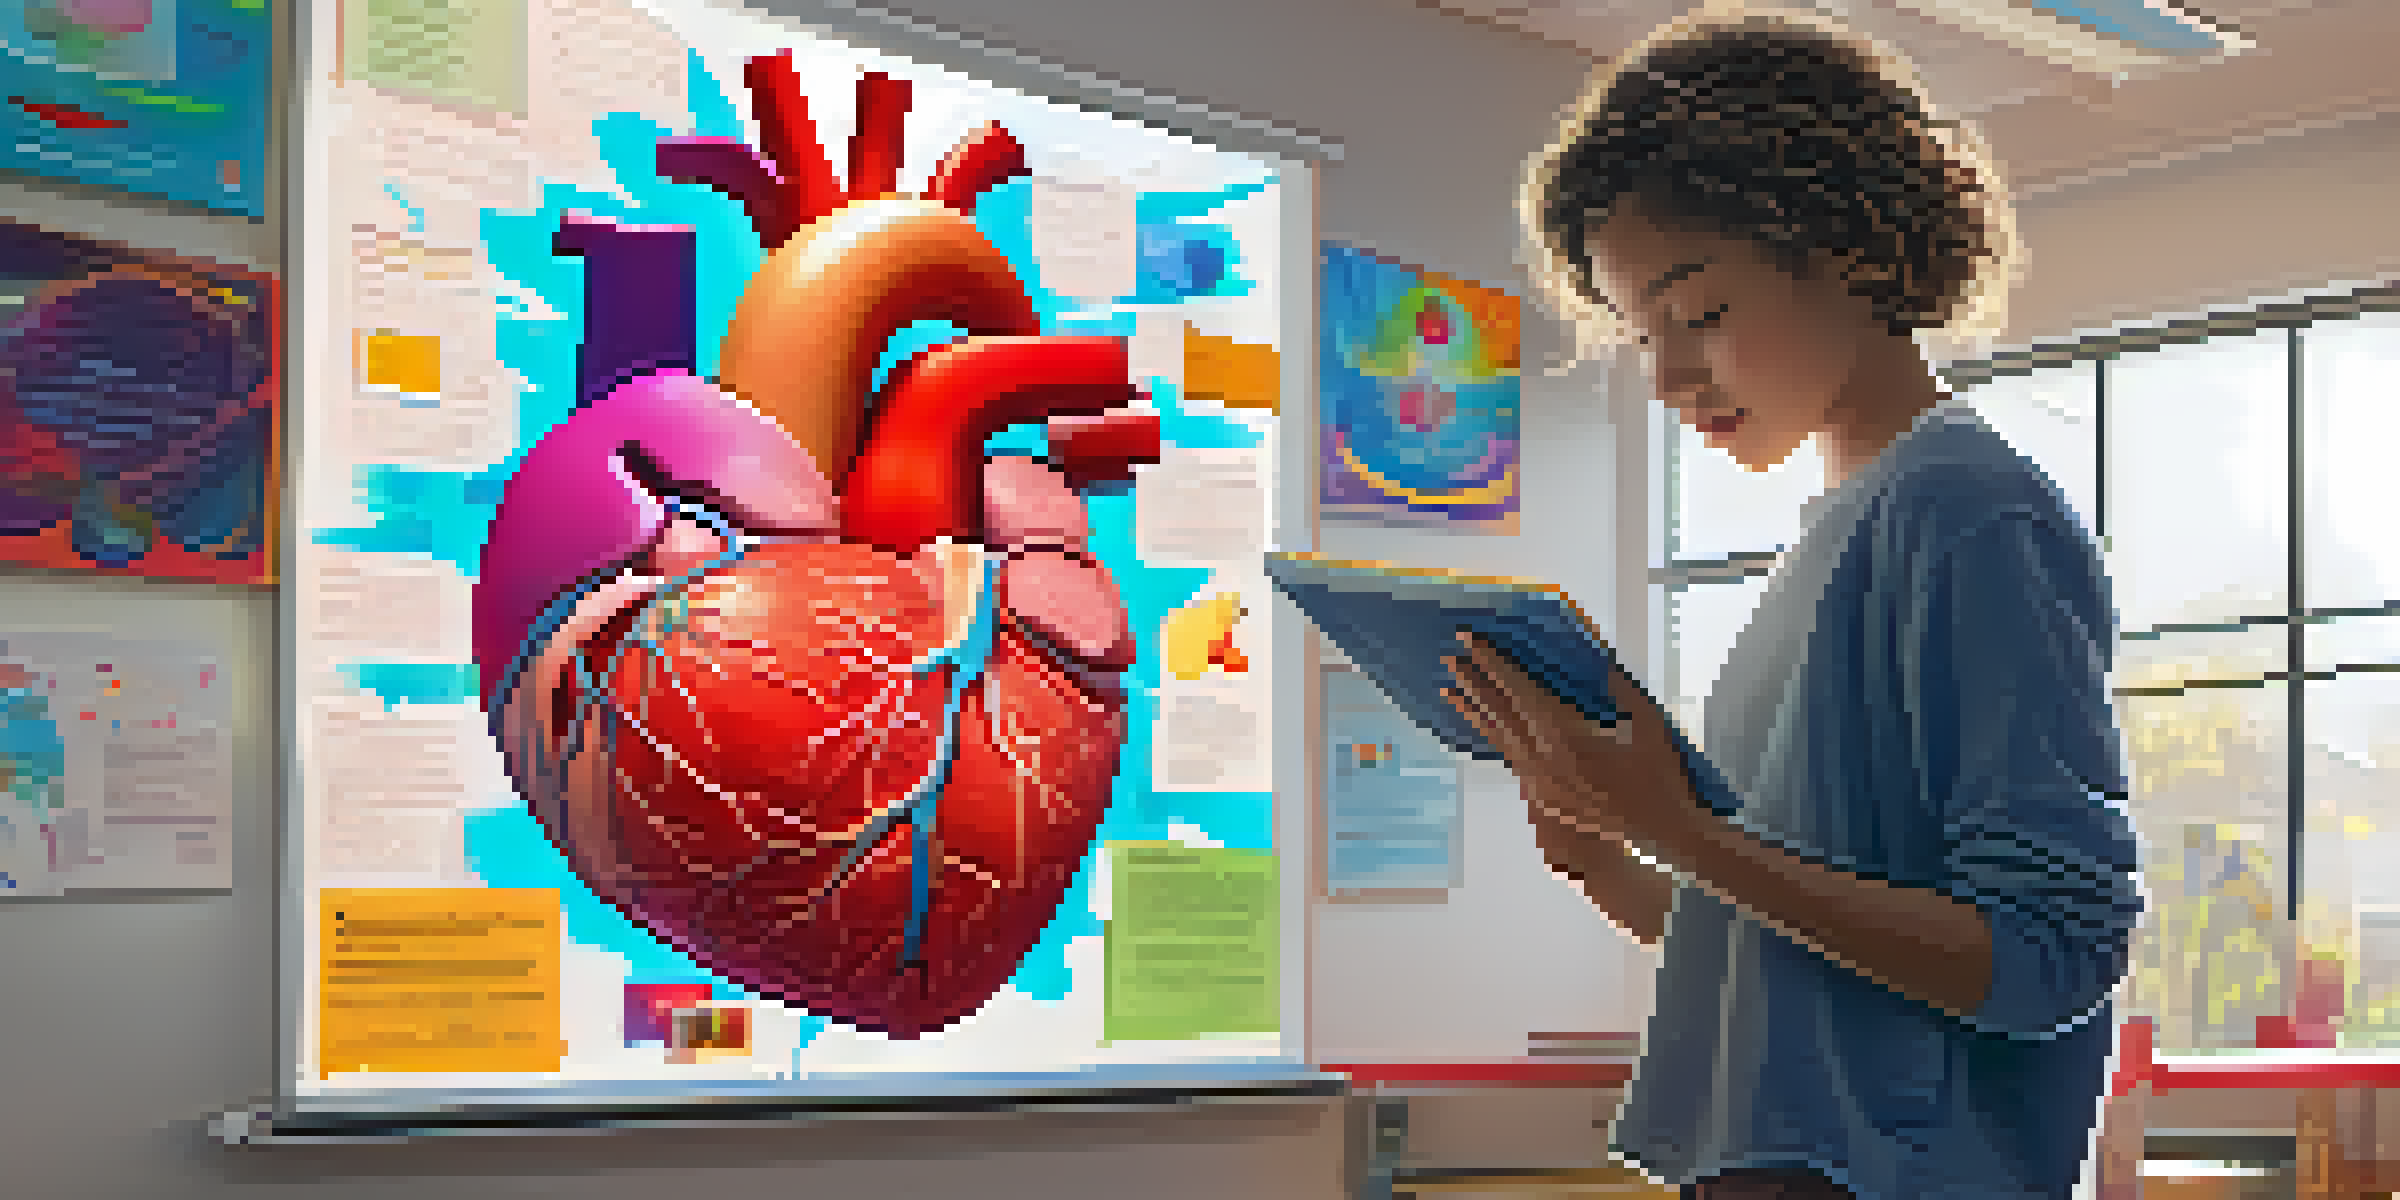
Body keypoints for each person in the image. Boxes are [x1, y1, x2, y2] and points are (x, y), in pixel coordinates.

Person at [1443, 6, 2145, 1199]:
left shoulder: (1967, 514)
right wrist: (1606, 858)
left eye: (1701, 314)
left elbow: (2052, 954)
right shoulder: (1840, 535)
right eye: (1641, 335)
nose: (1666, 377)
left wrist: (1685, 834)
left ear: (1853, 247)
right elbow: (1790, 969)